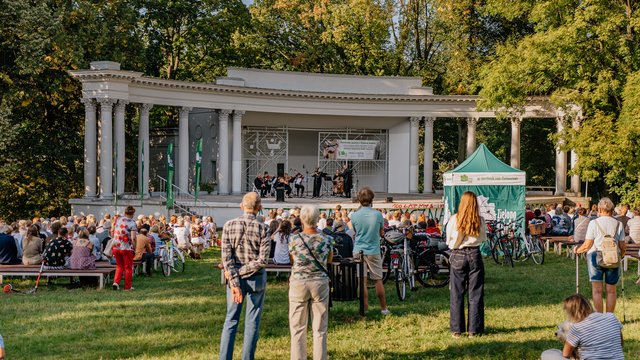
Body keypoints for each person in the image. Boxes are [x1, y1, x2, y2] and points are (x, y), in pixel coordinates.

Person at [219, 193, 270, 360]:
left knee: (231, 320)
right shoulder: (264, 228)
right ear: (259, 207)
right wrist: (240, 273)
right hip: (256, 278)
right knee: (252, 322)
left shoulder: (228, 225)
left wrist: (235, 278)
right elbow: (263, 260)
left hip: (235, 279)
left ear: (241, 206)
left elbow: (226, 258)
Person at [288, 205, 333, 360]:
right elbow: (329, 260)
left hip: (299, 282)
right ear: (317, 219)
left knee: (297, 327)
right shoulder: (327, 239)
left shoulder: (294, 239)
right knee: (320, 327)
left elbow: (292, 260)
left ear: (301, 219)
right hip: (319, 282)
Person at [445, 191, 486, 338]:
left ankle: (456, 329)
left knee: (457, 293)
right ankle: (474, 329)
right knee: (475, 293)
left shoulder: (455, 219)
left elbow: (449, 239)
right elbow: (483, 237)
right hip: (475, 253)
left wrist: (454, 246)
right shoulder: (479, 220)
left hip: (458, 254)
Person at [574, 197, 625, 313]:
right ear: (612, 210)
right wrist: (621, 255)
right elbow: (622, 246)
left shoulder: (594, 223)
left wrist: (577, 250)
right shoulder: (619, 224)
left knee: (597, 290)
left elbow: (587, 244)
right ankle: (609, 317)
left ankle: (599, 317)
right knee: (611, 290)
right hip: (613, 256)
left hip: (595, 256)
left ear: (600, 209)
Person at [541, 294, 623, 360]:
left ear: (572, 313)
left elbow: (566, 354)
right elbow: (620, 342)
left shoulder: (577, 328)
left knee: (548, 353)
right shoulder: (611, 317)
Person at [348, 187, 389, 315]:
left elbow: (355, 232)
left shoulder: (354, 216)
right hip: (373, 250)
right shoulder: (377, 215)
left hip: (358, 250)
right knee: (378, 279)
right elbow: (381, 232)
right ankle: (383, 308)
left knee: (362, 281)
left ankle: (364, 307)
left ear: (359, 200)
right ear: (372, 199)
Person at [112, 206, 138, 291]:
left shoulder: (118, 219)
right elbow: (133, 238)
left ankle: (116, 282)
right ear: (133, 213)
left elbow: (113, 231)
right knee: (128, 267)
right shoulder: (132, 223)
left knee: (119, 266)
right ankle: (127, 287)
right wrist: (134, 247)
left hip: (116, 246)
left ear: (125, 212)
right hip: (126, 247)